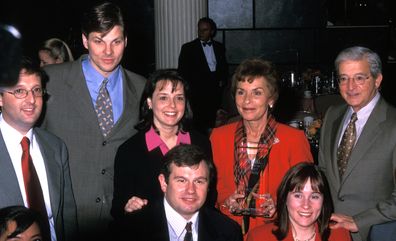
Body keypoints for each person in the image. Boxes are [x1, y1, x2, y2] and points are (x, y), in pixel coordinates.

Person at [40, 2, 146, 239]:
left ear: (126, 41)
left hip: (122, 223)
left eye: (116, 41)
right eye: (99, 41)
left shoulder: (141, 88)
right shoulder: (50, 81)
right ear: (85, 41)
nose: (108, 52)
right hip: (64, 221)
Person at [210, 58, 313, 235]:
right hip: (228, 231)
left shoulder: (293, 139)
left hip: (275, 232)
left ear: (271, 99)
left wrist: (278, 203)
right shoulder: (219, 137)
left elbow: (307, 192)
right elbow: (208, 185)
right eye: (241, 92)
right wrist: (225, 200)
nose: (247, 100)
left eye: (257, 93)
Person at [111, 69, 213, 219]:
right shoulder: (129, 151)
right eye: (163, 98)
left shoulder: (201, 143)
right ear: (149, 102)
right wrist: (128, 207)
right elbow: (117, 208)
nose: (172, 106)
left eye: (179, 98)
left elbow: (210, 197)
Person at [318, 46, 396, 241]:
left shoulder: (393, 123)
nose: (350, 87)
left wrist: (358, 221)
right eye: (344, 78)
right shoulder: (332, 115)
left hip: (374, 233)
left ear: (377, 80)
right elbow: (323, 172)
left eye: (360, 78)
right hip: (329, 230)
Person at [0, 58, 77, 241]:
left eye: (36, 90)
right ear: (0, 98)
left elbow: (67, 217)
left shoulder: (56, 147)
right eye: (20, 91)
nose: (32, 100)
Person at [127, 144, 243, 241]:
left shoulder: (228, 231)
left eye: (199, 181)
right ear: (163, 183)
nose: (191, 190)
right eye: (182, 181)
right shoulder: (132, 229)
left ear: (208, 185)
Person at [246, 162, 351, 241]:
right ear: (285, 199)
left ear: (324, 201)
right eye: (298, 195)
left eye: (314, 196)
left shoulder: (340, 236)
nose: (306, 205)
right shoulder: (259, 237)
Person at [178, 17, 228, 135]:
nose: (201, 33)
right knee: (198, 124)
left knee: (215, 123)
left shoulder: (219, 47)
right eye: (199, 30)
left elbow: (224, 67)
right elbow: (182, 71)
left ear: (212, 31)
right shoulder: (188, 48)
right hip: (197, 92)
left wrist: (223, 80)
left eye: (205, 30)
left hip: (215, 91)